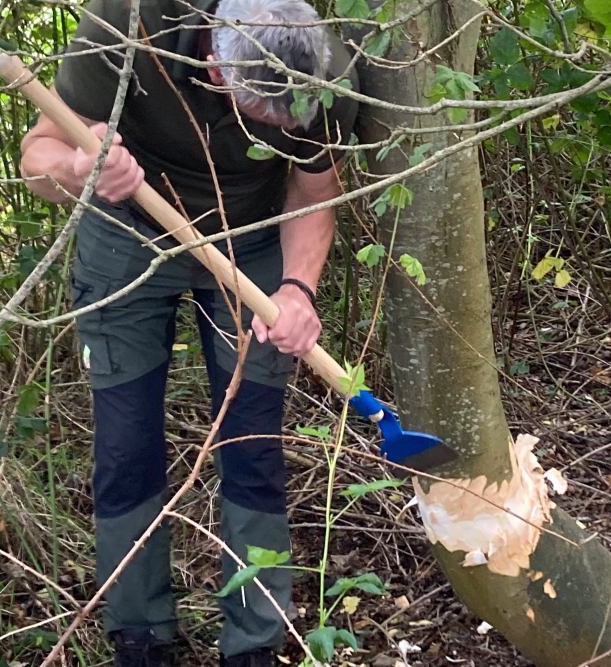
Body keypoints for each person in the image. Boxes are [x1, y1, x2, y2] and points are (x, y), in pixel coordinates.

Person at [18, 0, 359, 664]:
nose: (284, 127)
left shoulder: (324, 70)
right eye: (266, 118)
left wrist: (297, 288)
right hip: (126, 236)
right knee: (125, 447)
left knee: (253, 444)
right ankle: (140, 633)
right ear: (212, 67)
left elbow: (314, 189)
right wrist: (80, 171)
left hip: (250, 243)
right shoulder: (128, 25)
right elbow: (38, 155)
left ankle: (255, 640)